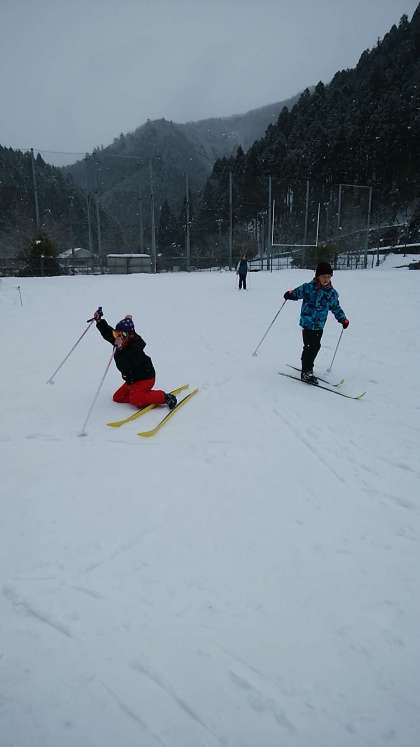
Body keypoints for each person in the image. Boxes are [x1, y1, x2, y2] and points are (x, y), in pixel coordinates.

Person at [93, 308, 177, 409]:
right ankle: (141, 396)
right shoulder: (121, 340)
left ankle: (165, 397)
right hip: (132, 380)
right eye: (116, 333)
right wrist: (99, 321)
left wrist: (119, 348)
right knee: (117, 397)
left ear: (130, 335)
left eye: (122, 335)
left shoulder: (135, 348)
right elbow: (107, 332)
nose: (118, 337)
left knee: (136, 400)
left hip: (145, 378)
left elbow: (125, 363)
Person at [283, 261, 349, 385]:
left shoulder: (331, 293)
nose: (326, 279)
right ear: (318, 276)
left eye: (328, 277)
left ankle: (308, 367)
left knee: (315, 347)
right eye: (324, 276)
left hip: (319, 325)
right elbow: (298, 292)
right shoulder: (308, 288)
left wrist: (343, 319)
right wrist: (290, 294)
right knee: (310, 347)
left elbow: (336, 307)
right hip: (308, 324)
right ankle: (306, 371)